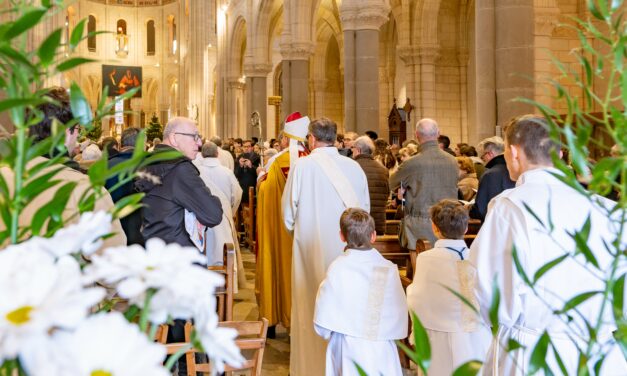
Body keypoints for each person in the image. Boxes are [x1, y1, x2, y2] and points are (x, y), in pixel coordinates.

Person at [470, 115, 626, 374]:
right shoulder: (606, 209)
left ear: (513, 152)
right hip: (600, 353)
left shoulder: (510, 208)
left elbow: (493, 295)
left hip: (535, 352)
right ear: (561, 153)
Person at [282, 117, 370, 376]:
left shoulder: (303, 167)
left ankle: (309, 369)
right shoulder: (354, 168)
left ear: (311, 138)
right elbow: (364, 213)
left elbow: (288, 214)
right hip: (349, 252)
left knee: (311, 307)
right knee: (345, 309)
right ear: (335, 138)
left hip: (310, 250)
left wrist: (300, 235)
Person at [0, 86, 126, 249]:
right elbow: (111, 258)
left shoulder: (4, 178)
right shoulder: (86, 191)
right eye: (78, 129)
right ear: (67, 131)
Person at [314, 208, 407, 376]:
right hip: (383, 349)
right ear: (373, 236)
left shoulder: (337, 269)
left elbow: (322, 323)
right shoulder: (389, 269)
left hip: (347, 349)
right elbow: (400, 314)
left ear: (341, 236)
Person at [406, 200, 491, 374]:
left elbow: (418, 298)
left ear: (435, 228)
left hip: (439, 337)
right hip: (477, 337)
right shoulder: (479, 258)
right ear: (466, 228)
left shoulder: (427, 258)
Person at [256, 112, 310, 338]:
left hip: (281, 232)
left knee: (277, 269)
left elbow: (267, 196)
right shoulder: (312, 159)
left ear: (287, 138)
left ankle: (272, 318)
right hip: (307, 231)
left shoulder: (277, 162)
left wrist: (261, 178)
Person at [136, 116, 223, 248]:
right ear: (174, 138)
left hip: (155, 251)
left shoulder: (148, 162)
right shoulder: (180, 169)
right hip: (179, 257)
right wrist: (215, 198)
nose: (199, 143)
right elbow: (213, 214)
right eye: (194, 136)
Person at [389, 118, 459, 246]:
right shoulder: (453, 161)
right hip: (449, 224)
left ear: (416, 135)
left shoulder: (411, 163)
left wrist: (402, 188)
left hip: (420, 227)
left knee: (419, 263)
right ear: (438, 133)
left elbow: (391, 183)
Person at [105, 127, 145, 245]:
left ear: (121, 143)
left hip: (112, 231)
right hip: (142, 233)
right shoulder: (150, 165)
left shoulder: (106, 165)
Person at [467, 136, 515, 221]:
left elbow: (481, 211)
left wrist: (468, 208)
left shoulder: (490, 175)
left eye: (482, 157)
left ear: (489, 154)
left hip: (494, 225)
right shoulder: (516, 170)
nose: (482, 161)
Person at [352, 136, 389, 234]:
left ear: (358, 150)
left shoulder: (352, 167)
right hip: (377, 223)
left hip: (358, 223)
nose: (352, 152)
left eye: (353, 149)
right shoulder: (383, 170)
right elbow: (387, 194)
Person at [234, 139, 260, 203]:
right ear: (242, 148)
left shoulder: (257, 157)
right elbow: (236, 174)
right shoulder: (239, 158)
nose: (246, 148)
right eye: (244, 147)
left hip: (253, 185)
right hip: (241, 186)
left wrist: (251, 166)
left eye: (248, 146)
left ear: (252, 147)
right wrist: (240, 166)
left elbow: (259, 173)